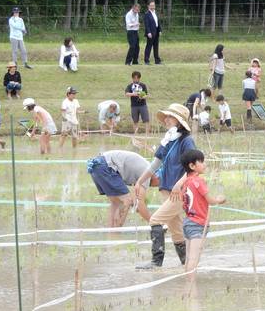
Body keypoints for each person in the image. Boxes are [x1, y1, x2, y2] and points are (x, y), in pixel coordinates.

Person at [135, 103, 196, 268]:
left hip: (179, 191)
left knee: (155, 220)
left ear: (178, 120)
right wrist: (140, 181)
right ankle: (187, 262)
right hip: (166, 189)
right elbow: (155, 164)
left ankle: (156, 261)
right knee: (176, 228)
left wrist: (179, 184)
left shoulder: (186, 141)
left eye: (170, 116)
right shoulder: (169, 139)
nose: (166, 119)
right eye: (166, 116)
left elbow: (193, 167)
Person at [168, 149, 225, 276]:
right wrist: (220, 200)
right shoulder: (199, 181)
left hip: (188, 222)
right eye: (201, 162)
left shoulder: (186, 183)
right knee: (194, 259)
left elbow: (185, 204)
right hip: (198, 224)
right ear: (192, 166)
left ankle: (187, 287)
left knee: (189, 259)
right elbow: (210, 200)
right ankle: (191, 287)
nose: (204, 164)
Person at [87, 150, 160, 227]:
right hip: (106, 166)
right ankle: (116, 232)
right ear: (157, 176)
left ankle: (112, 236)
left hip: (97, 166)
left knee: (116, 203)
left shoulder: (145, 169)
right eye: (159, 184)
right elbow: (139, 205)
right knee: (126, 201)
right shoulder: (147, 173)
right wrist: (155, 224)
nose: (156, 187)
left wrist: (137, 205)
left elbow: (136, 202)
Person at [125, 71, 149, 135]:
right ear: (132, 78)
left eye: (137, 78)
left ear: (139, 78)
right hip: (134, 106)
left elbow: (146, 94)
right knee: (135, 121)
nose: (136, 79)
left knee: (146, 120)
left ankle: (147, 134)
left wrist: (143, 96)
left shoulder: (143, 85)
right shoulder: (130, 86)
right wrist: (134, 94)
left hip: (143, 105)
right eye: (135, 78)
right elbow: (126, 94)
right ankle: (136, 134)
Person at [144, 0, 162, 65]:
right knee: (149, 47)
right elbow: (147, 24)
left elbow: (158, 22)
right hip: (150, 33)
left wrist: (160, 30)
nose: (153, 6)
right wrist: (148, 32)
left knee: (156, 47)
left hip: (156, 32)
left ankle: (157, 60)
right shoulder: (147, 14)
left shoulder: (155, 13)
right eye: (151, 5)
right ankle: (146, 60)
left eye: (153, 5)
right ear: (148, 6)